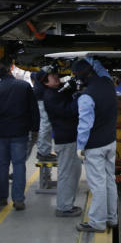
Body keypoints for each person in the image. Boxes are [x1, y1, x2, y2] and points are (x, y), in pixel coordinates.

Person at [0, 62, 39, 211]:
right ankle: (19, 200)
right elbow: (34, 110)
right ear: (10, 70)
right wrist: (35, 129)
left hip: (0, 134)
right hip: (19, 133)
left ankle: (2, 198)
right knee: (19, 165)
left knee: (2, 165)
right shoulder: (24, 87)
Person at [73, 56, 117, 233]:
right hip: (110, 142)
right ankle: (112, 218)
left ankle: (97, 223)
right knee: (110, 181)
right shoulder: (108, 82)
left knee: (98, 184)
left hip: (95, 147)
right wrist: (88, 57)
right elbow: (100, 69)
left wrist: (80, 146)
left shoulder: (86, 97)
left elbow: (85, 125)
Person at [38, 66, 82, 217]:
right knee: (66, 173)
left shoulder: (56, 91)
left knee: (74, 169)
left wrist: (74, 83)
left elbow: (67, 90)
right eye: (51, 76)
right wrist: (80, 98)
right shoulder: (50, 96)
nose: (55, 77)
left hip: (69, 137)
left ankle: (67, 203)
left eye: (55, 74)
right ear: (45, 82)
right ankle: (64, 207)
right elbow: (69, 110)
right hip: (65, 139)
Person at [30, 70, 56, 162]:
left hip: (42, 97)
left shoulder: (39, 69)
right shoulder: (43, 69)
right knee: (45, 125)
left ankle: (45, 152)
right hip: (42, 98)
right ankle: (43, 153)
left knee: (46, 125)